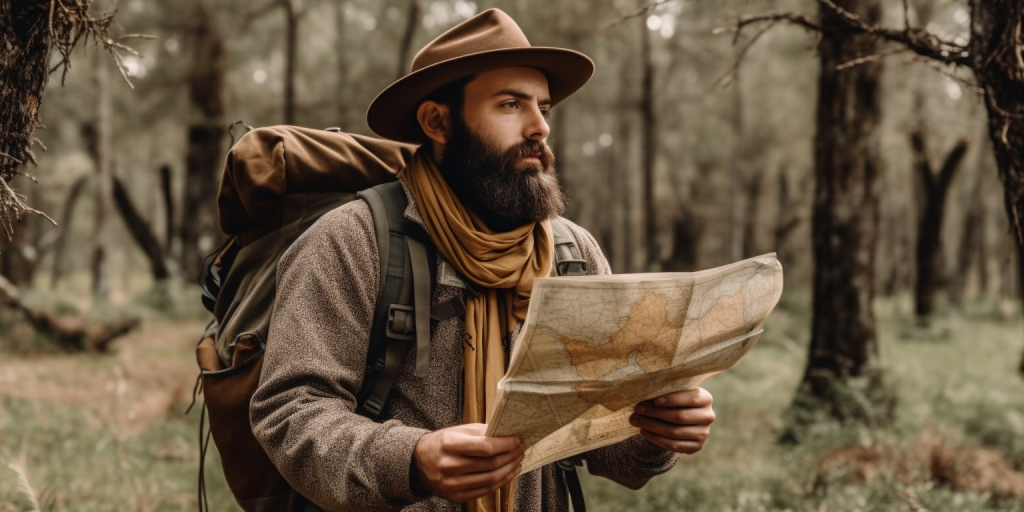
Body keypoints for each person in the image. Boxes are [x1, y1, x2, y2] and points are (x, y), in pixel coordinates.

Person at [250, 8, 715, 512]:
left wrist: (656, 432)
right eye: (511, 104)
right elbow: (290, 412)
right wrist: (410, 458)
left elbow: (606, 449)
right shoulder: (352, 241)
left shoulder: (572, 254)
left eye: (544, 108)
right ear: (438, 121)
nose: (539, 128)